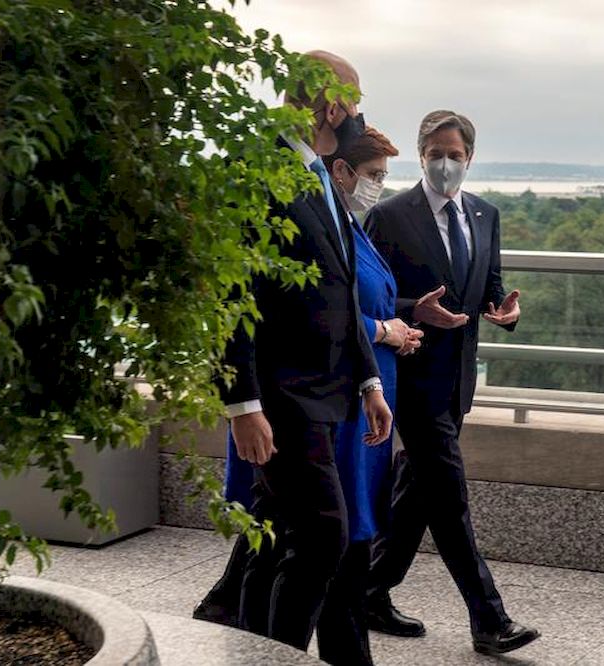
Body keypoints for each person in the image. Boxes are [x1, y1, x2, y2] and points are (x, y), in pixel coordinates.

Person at [194, 50, 393, 654]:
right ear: (332, 104)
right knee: (326, 536)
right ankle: (279, 655)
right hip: (283, 396)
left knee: (277, 538)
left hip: (328, 392)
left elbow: (336, 286)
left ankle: (257, 650)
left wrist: (368, 384)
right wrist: (242, 405)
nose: (359, 114)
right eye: (355, 101)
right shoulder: (256, 168)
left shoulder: (318, 172)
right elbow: (232, 294)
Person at [365, 110, 539, 655]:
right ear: (421, 155)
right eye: (437, 153)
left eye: (456, 155)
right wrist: (415, 309)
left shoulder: (485, 215)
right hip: (412, 377)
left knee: (418, 493)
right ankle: (489, 618)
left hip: (458, 381)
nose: (446, 164)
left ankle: (370, 591)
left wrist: (504, 311)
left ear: (470, 158)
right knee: (448, 494)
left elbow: (490, 286)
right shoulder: (390, 216)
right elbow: (364, 297)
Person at [315, 126, 422, 666]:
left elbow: (369, 300)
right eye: (374, 175)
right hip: (347, 399)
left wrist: (406, 318)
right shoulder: (330, 229)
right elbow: (323, 312)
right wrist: (386, 331)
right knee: (343, 538)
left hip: (371, 395)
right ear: (342, 172)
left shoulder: (351, 230)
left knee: (347, 534)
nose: (379, 186)